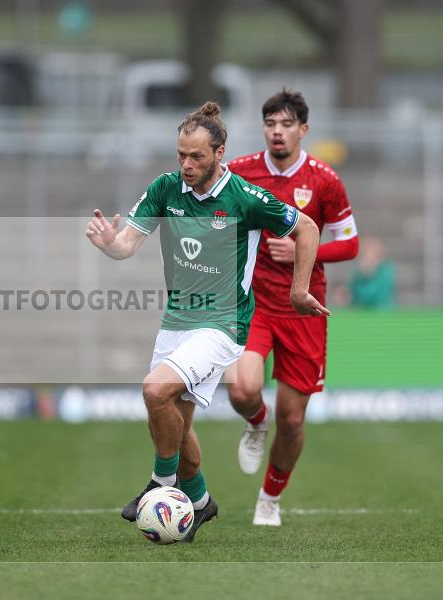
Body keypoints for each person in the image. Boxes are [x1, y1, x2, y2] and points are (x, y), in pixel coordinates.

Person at [86, 101, 326, 542]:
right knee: (178, 428)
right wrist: (108, 245)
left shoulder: (245, 198)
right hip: (176, 319)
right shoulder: (164, 188)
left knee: (155, 390)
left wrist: (298, 289)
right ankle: (199, 502)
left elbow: (307, 228)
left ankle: (160, 487)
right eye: (181, 155)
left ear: (220, 153)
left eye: (197, 156)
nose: (186, 164)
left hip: (223, 324)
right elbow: (126, 245)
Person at [227, 89, 359, 526]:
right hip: (255, 303)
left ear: (304, 130)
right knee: (243, 389)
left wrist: (308, 251)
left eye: (286, 125)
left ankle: (270, 497)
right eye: (270, 124)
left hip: (302, 308)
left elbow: (351, 243)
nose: (277, 132)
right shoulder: (240, 173)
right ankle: (254, 422)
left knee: (293, 418)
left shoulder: (324, 180)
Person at [347, 236, 395, 309]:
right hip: (362, 312)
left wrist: (368, 274)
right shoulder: (359, 272)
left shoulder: (385, 270)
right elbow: (353, 293)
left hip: (381, 312)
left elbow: (376, 294)